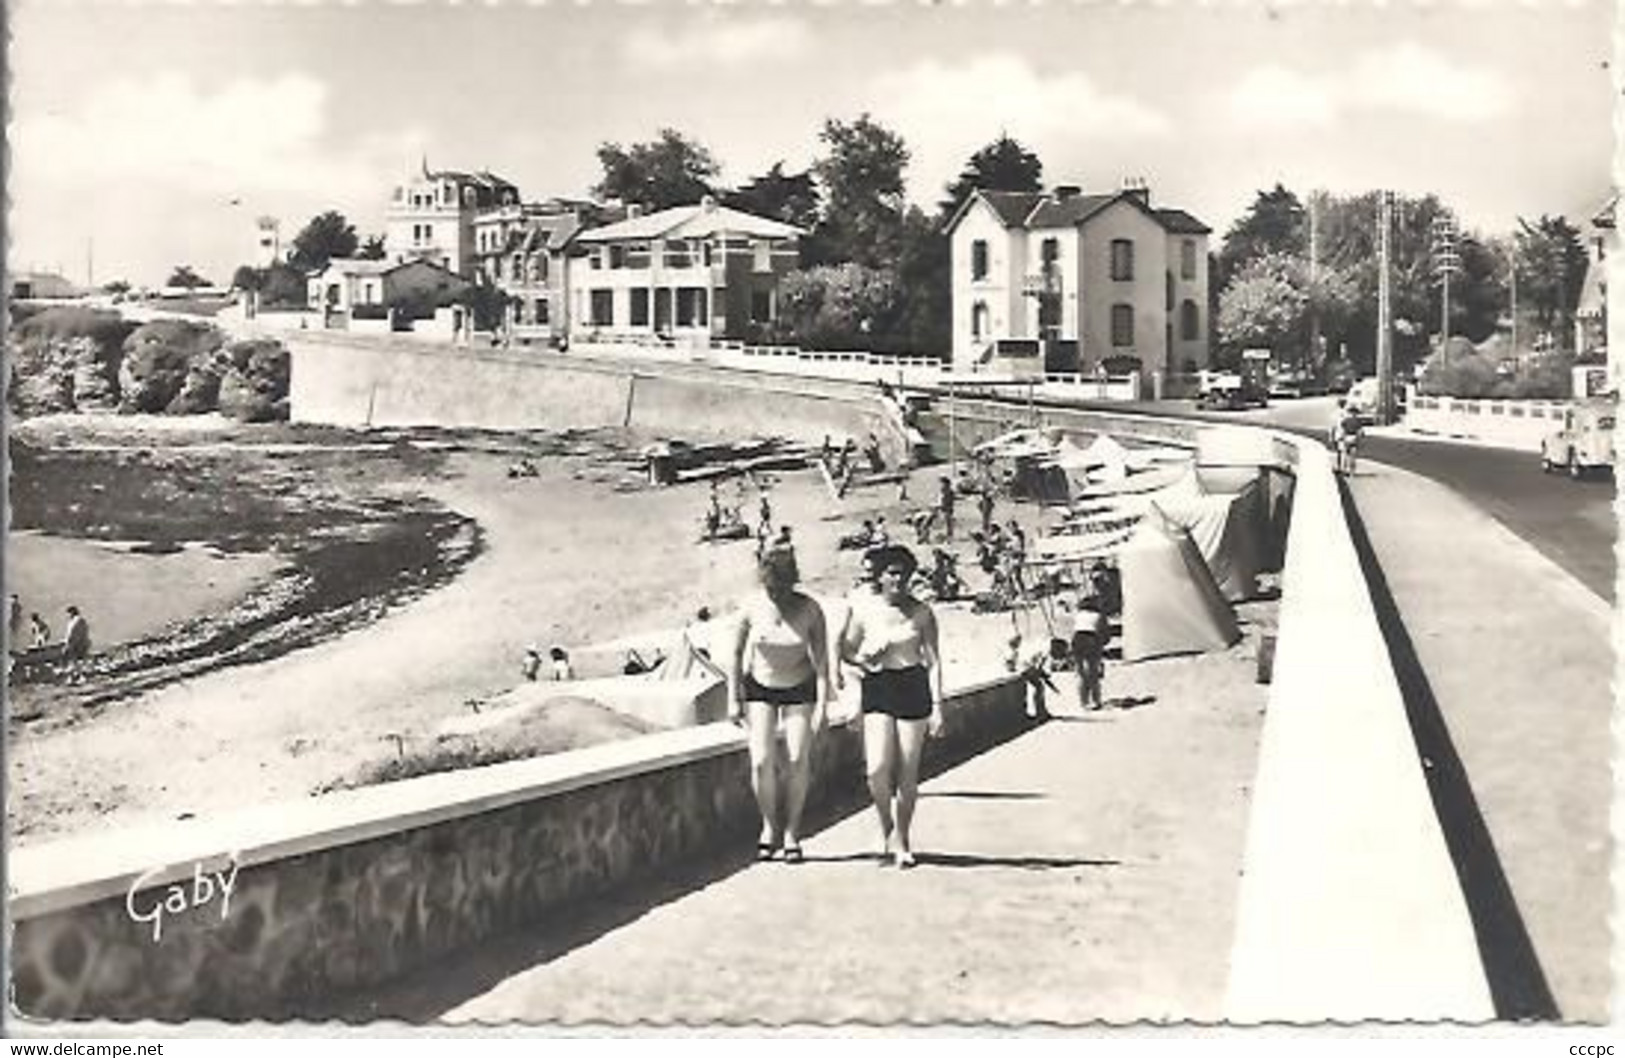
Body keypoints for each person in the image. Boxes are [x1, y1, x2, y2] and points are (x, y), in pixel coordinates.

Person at [839, 544, 944, 869]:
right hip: (878, 686)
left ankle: (903, 839)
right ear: (881, 576)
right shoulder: (866, 610)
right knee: (876, 769)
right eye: (892, 573)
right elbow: (845, 648)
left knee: (908, 771)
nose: (899, 580)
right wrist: (865, 660)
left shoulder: (922, 612)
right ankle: (885, 822)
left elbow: (934, 661)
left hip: (913, 686)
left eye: (904, 574)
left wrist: (939, 707)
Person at [727, 546, 831, 864]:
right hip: (760, 686)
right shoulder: (750, 607)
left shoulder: (811, 609)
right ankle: (769, 826)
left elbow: (823, 663)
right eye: (771, 586)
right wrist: (733, 697)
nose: (777, 593)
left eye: (783, 586)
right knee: (761, 761)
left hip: (801, 687)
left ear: (792, 581)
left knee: (798, 758)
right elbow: (734, 654)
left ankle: (792, 832)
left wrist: (824, 707)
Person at [1071, 582, 1107, 712]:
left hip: (1077, 639)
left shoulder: (1079, 615)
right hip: (1091, 639)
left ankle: (1083, 702)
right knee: (1093, 673)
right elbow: (1104, 634)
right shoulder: (1099, 615)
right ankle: (1096, 701)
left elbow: (1074, 630)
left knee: (1081, 673)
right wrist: (1102, 647)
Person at [1333, 402, 1364, 476]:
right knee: (1353, 456)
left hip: (1347, 438)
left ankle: (1344, 469)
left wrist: (1341, 437)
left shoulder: (1345, 421)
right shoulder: (1358, 421)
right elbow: (1360, 432)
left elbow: (1343, 430)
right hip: (1354, 438)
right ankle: (1352, 471)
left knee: (1345, 455)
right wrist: (1359, 437)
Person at [938, 477, 956, 542]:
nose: (941, 485)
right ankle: (947, 535)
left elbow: (949, 501)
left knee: (948, 522)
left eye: (943, 483)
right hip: (944, 508)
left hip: (947, 508)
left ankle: (949, 536)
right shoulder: (943, 490)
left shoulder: (949, 491)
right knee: (946, 522)